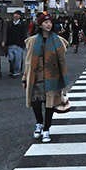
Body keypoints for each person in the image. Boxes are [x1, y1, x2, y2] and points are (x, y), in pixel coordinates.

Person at [21, 14, 69, 144]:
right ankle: (39, 123)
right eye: (45, 22)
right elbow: (28, 61)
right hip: (36, 76)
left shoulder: (58, 40)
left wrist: (63, 79)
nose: (48, 25)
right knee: (36, 102)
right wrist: (25, 77)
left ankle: (47, 129)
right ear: (40, 24)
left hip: (53, 76)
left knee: (50, 104)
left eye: (50, 22)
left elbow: (62, 61)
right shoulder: (32, 41)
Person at [6, 10, 28, 78]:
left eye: (18, 15)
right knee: (11, 58)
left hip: (19, 44)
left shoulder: (23, 24)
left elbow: (24, 34)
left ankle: (16, 72)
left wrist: (24, 43)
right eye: (15, 14)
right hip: (10, 44)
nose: (16, 16)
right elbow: (7, 33)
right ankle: (12, 70)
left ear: (20, 16)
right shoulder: (9, 23)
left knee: (17, 59)